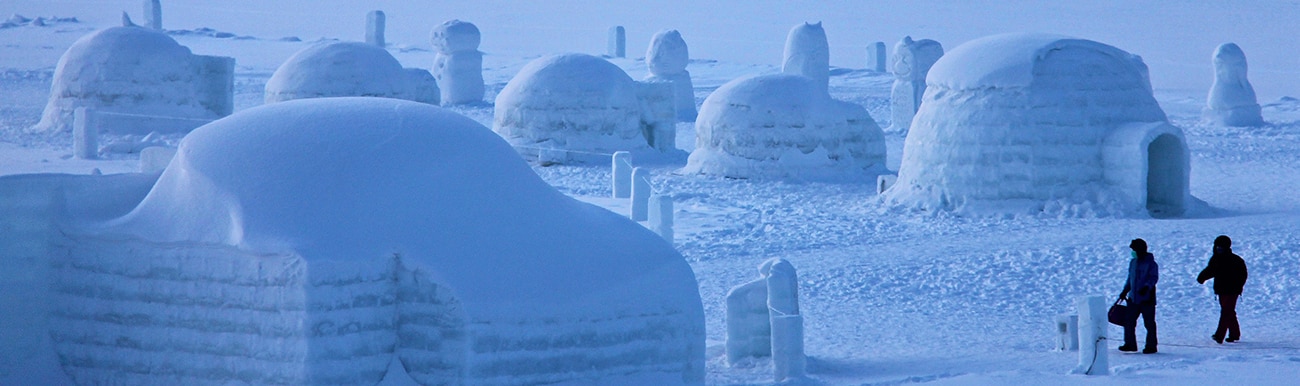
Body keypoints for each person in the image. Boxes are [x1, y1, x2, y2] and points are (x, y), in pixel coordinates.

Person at [1197, 235, 1249, 344]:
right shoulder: (1216, 259)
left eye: (1221, 247)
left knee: (1226, 312)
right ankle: (1235, 334)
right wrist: (1202, 277)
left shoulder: (1235, 260)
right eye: (1217, 247)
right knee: (1229, 312)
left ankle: (1219, 335)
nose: (1218, 249)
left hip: (1232, 291)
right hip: (1221, 290)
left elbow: (1243, 275)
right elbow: (1211, 270)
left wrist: (1238, 287)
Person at [1118, 238, 1158, 354]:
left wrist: (1146, 287)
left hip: (1147, 300)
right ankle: (1130, 344)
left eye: (1134, 249)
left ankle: (1151, 346)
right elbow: (1130, 279)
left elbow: (1153, 278)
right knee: (1128, 321)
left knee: (1149, 323)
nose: (1133, 252)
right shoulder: (1133, 262)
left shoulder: (1151, 263)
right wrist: (1125, 291)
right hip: (1133, 299)